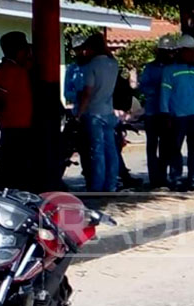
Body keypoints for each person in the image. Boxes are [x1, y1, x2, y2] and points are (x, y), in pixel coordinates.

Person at [160, 34, 194, 191]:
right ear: (182, 51)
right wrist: (165, 113)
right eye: (190, 51)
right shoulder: (170, 70)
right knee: (175, 149)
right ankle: (176, 178)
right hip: (178, 116)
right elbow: (165, 93)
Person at [75, 33, 120, 192]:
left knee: (97, 151)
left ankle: (97, 186)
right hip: (108, 111)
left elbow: (87, 93)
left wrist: (79, 114)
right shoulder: (113, 64)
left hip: (93, 112)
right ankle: (111, 184)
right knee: (111, 150)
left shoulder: (92, 66)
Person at [0, 31, 34, 191]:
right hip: (13, 126)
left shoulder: (19, 69)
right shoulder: (6, 70)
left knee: (18, 164)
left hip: (21, 125)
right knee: (11, 164)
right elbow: (0, 100)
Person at [139, 34, 175, 189]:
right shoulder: (150, 68)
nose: (167, 54)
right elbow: (143, 87)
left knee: (166, 146)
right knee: (152, 146)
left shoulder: (174, 68)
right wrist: (157, 89)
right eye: (164, 51)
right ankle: (154, 178)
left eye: (170, 51)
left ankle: (163, 175)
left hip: (168, 112)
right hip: (152, 112)